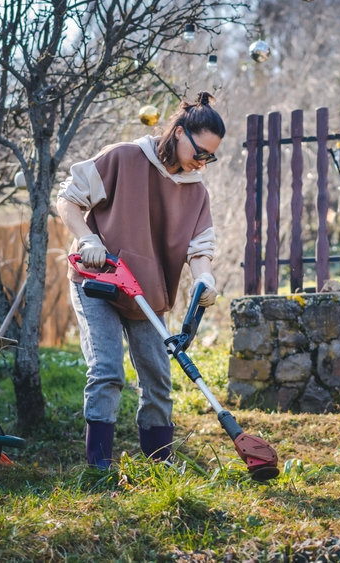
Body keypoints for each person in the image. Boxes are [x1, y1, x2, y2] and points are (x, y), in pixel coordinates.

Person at [55, 91, 225, 469]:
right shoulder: (124, 158)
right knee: (107, 370)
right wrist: (87, 238)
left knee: (158, 379)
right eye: (200, 151)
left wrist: (205, 281)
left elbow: (200, 250)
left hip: (146, 292)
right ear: (179, 132)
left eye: (210, 156)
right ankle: (98, 467)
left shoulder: (195, 190)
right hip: (97, 281)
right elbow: (67, 200)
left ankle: (159, 464)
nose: (203, 161)